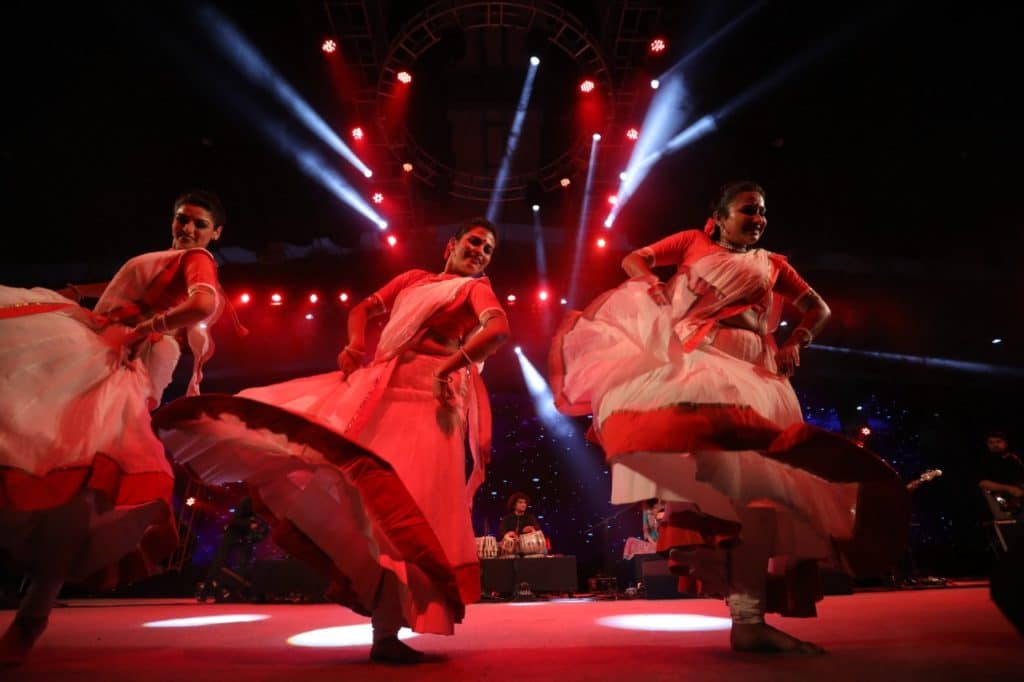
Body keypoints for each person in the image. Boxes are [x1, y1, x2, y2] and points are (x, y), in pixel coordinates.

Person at [551, 181, 907, 654]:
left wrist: (797, 340)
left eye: (762, 212)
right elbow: (633, 258)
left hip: (759, 378)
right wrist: (653, 287)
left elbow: (817, 308)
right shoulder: (691, 242)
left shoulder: (773, 264)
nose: (758, 219)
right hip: (702, 371)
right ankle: (745, 614)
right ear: (718, 216)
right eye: (748, 211)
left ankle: (749, 619)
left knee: (760, 503)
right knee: (722, 497)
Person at [154, 217, 510, 664]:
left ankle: (385, 633)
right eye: (474, 242)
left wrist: (447, 367)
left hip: (430, 405)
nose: (479, 251)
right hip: (381, 390)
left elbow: (497, 332)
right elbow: (360, 310)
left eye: (488, 249)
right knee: (367, 500)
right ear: (450, 245)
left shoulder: (476, 289)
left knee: (405, 512)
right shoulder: (415, 280)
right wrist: (356, 345)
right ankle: (383, 633)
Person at [0, 190, 228, 665]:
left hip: (130, 356)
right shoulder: (170, 259)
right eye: (182, 219)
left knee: (82, 467)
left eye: (199, 224)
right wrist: (83, 293)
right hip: (107, 343)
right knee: (57, 450)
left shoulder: (197, 259)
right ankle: (35, 602)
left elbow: (203, 304)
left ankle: (35, 610)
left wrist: (150, 327)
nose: (187, 229)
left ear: (215, 234)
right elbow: (138, 294)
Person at [196, 496, 269, 602]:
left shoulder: (263, 505)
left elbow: (263, 524)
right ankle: (205, 592)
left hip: (246, 538)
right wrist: (250, 524)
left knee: (243, 565)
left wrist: (258, 532)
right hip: (232, 535)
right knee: (218, 564)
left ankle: (238, 592)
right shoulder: (246, 501)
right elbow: (235, 520)